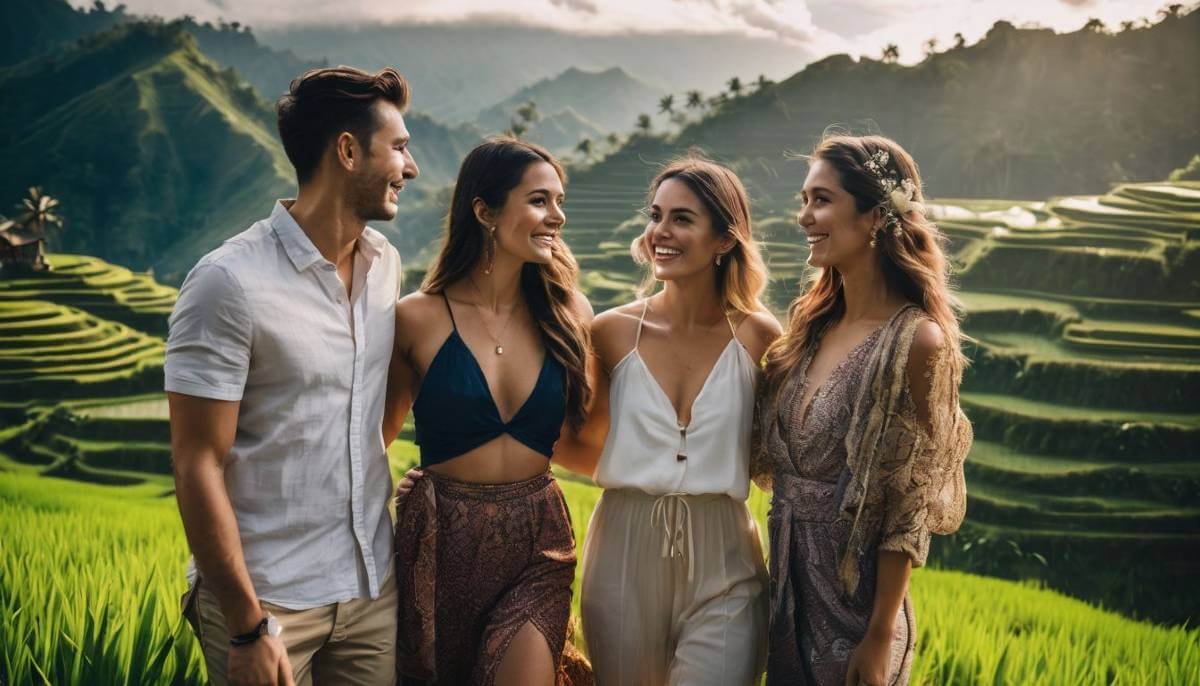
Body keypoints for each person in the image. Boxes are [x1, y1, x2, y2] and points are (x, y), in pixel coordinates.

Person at [166, 66, 419, 686]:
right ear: (348, 151)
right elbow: (196, 462)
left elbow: (367, 418)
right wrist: (248, 625)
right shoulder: (228, 282)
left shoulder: (385, 266)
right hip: (268, 600)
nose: (410, 168)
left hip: (369, 592)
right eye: (400, 148)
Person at [751, 133, 972, 686]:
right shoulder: (809, 329)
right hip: (785, 594)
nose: (804, 216)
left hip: (857, 608)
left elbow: (908, 508)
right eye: (803, 200)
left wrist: (877, 637)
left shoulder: (916, 342)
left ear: (875, 215)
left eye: (821, 200)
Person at [553, 157, 780, 685]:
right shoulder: (610, 333)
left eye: (682, 218)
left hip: (726, 552)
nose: (661, 232)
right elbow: (573, 439)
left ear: (725, 239)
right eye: (656, 216)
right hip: (625, 547)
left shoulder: (760, 337)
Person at [384, 137, 593, 686]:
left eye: (559, 200)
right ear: (484, 210)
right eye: (540, 201)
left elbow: (590, 437)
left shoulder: (570, 313)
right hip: (439, 540)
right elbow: (370, 441)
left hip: (537, 539)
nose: (558, 216)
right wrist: (402, 492)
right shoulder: (417, 318)